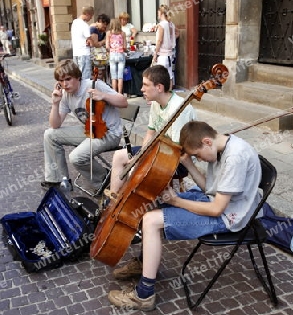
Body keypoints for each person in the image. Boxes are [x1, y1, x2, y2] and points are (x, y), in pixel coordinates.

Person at [108, 120, 262, 311]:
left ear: (206, 141)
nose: (200, 159)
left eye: (197, 155)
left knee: (151, 220)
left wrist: (176, 201)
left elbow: (216, 210)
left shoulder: (235, 157)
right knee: (149, 203)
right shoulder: (219, 146)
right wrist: (188, 164)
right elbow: (209, 188)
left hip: (230, 216)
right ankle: (144, 263)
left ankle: (144, 295)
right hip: (214, 201)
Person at [108, 64, 196, 198]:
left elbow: (177, 150)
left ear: (159, 87)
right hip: (159, 151)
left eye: (145, 85)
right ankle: (113, 201)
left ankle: (138, 206)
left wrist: (141, 161)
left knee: (137, 171)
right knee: (120, 156)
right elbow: (150, 133)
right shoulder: (156, 103)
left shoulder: (178, 108)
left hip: (178, 160)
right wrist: (140, 155)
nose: (141, 89)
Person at [41, 59, 128, 192]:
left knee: (76, 157)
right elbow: (55, 125)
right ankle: (57, 180)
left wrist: (103, 95)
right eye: (61, 81)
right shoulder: (65, 95)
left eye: (68, 79)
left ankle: (104, 179)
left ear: (77, 77)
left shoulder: (94, 85)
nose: (65, 84)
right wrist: (55, 103)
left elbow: (123, 102)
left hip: (108, 132)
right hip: (90, 130)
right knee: (50, 135)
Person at [152, 5, 178, 83]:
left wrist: (155, 54)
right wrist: (170, 41)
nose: (157, 14)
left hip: (162, 55)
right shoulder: (171, 24)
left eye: (158, 12)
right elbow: (177, 33)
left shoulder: (161, 25)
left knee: (160, 77)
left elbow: (159, 40)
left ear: (161, 13)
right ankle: (169, 93)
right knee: (169, 75)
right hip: (170, 54)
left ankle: (162, 94)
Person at [71, 6, 94, 80]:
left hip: (76, 53)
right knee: (85, 78)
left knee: (77, 77)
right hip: (84, 53)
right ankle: (85, 91)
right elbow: (91, 42)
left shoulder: (74, 22)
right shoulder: (85, 25)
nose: (91, 18)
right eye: (91, 16)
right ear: (87, 14)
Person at [106, 18, 127, 94]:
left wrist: (110, 50)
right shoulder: (123, 33)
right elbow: (124, 47)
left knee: (114, 77)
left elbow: (107, 47)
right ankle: (120, 93)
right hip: (120, 54)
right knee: (120, 76)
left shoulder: (109, 33)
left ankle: (114, 93)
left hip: (112, 55)